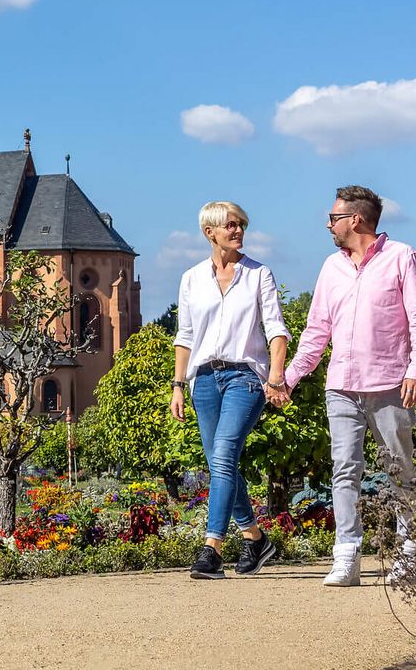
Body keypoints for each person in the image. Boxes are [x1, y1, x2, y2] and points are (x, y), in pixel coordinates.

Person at [273, 185, 416, 587]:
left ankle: (410, 554)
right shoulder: (331, 267)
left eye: (333, 218)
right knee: (345, 469)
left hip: (391, 384)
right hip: (341, 386)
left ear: (355, 220)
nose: (329, 225)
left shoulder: (402, 257)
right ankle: (347, 557)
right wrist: (288, 378)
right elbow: (316, 332)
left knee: (400, 470)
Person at [172, 200, 290, 579]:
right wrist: (178, 384)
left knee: (223, 455)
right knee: (219, 463)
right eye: (230, 225)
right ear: (210, 232)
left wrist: (275, 376)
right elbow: (185, 336)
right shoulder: (191, 278)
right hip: (203, 379)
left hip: (245, 377)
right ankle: (256, 540)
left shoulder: (258, 274)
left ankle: (212, 549)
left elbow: (276, 329)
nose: (238, 230)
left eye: (241, 224)